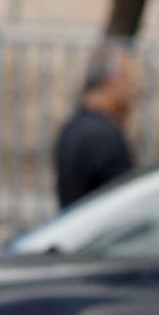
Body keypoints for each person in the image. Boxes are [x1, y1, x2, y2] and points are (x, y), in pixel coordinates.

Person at [54, 41, 138, 209]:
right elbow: (127, 204)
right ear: (111, 80)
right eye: (128, 80)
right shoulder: (104, 137)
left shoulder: (72, 128)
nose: (133, 90)